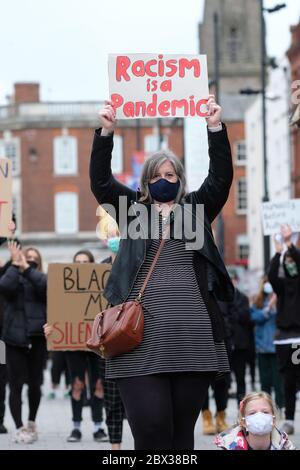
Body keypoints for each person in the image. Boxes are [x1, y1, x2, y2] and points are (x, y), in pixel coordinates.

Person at [89, 96, 234, 450]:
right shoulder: (132, 212)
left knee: (181, 437)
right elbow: (101, 183)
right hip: (138, 337)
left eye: (170, 175)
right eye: (156, 176)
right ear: (145, 182)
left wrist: (214, 128)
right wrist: (106, 132)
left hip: (193, 336)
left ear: (180, 180)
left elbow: (221, 178)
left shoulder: (196, 209)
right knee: (151, 431)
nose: (163, 181)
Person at [44, 249, 108, 444]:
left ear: (92, 265)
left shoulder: (102, 286)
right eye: (77, 262)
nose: (81, 265)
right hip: (73, 343)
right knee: (77, 384)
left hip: (96, 343)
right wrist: (51, 328)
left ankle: (98, 427)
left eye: (85, 262)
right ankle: (76, 426)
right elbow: (57, 311)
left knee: (98, 385)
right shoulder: (63, 287)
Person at [0, 242, 47, 444]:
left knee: (35, 384)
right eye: (26, 257)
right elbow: (4, 286)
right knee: (16, 385)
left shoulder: (41, 278)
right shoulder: (13, 276)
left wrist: (27, 269)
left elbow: (45, 287)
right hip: (14, 339)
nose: (29, 260)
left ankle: (31, 422)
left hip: (37, 338)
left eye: (33, 258)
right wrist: (13, 264)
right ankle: (19, 427)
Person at [268, 224, 300, 435]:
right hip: (283, 339)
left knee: (297, 377)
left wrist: (289, 243)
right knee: (287, 380)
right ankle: (289, 418)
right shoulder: (281, 286)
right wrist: (278, 252)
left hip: (298, 338)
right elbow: (271, 276)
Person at [215, 391, 295, 450]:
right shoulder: (231, 446)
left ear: (273, 420)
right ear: (244, 422)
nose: (259, 416)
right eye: (252, 413)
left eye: (265, 412)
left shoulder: (285, 446)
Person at [250, 279, 284, 411]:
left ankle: (280, 407)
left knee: (278, 381)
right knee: (265, 381)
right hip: (262, 348)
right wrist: (269, 307)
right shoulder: (258, 303)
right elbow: (254, 318)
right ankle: (265, 408)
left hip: (276, 347)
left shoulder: (281, 302)